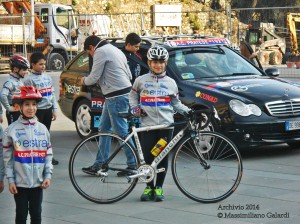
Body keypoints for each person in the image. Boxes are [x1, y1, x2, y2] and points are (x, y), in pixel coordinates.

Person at [129, 46, 191, 202]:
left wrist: (188, 111)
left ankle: (159, 188)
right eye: (155, 62)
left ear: (166, 63)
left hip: (165, 127)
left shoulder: (171, 83)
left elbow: (176, 104)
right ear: (149, 63)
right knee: (149, 157)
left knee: (161, 157)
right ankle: (149, 187)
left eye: (161, 62)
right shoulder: (140, 81)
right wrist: (135, 108)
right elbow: (132, 97)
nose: (158, 65)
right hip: (147, 126)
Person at [80, 35, 136, 175]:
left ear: (92, 47)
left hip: (116, 95)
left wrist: (83, 81)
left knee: (121, 132)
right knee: (104, 129)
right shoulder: (115, 49)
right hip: (121, 93)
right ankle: (100, 164)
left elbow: (93, 77)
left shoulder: (100, 51)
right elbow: (129, 75)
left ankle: (133, 164)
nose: (91, 55)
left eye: (89, 53)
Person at [2, 86, 53, 224]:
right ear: (19, 107)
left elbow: (48, 154)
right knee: (21, 215)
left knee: (37, 215)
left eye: (34, 104)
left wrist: (48, 175)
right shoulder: (11, 131)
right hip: (20, 184)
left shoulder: (43, 129)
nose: (31, 108)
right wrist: (11, 180)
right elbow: (7, 158)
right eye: (27, 104)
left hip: (38, 183)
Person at [23, 52, 59, 165]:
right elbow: (28, 98)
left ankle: (47, 156)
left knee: (46, 133)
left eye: (44, 64)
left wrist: (54, 109)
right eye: (40, 64)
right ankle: (35, 156)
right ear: (33, 64)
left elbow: (52, 94)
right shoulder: (28, 79)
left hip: (48, 110)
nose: (43, 66)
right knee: (35, 134)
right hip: (37, 111)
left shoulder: (47, 77)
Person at [0, 55, 29, 124]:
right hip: (13, 112)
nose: (26, 72)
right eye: (24, 69)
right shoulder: (10, 82)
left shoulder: (19, 81)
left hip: (19, 110)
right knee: (13, 131)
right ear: (15, 69)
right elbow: (2, 95)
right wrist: (9, 108)